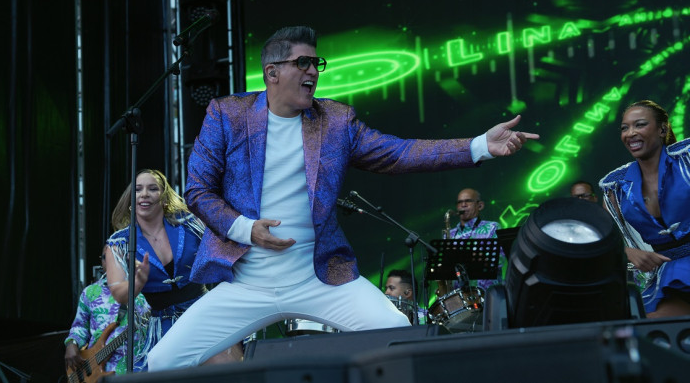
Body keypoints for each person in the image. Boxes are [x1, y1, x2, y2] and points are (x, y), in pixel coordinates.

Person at [147, 26, 538, 370]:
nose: (313, 72)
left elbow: (399, 153)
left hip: (320, 278)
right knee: (163, 362)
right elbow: (197, 188)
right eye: (303, 63)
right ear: (272, 72)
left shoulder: (336, 121)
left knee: (399, 335)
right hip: (246, 282)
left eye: (317, 64)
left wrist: (478, 146)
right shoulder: (227, 114)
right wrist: (246, 229)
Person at [105, 169, 243, 369]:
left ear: (164, 199)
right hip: (161, 326)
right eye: (138, 190)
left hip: (201, 312)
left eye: (153, 189)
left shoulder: (191, 225)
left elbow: (224, 251)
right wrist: (136, 283)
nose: (144, 194)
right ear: (130, 200)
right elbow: (119, 293)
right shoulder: (119, 243)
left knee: (227, 368)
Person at [599, 100, 690, 318]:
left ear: (662, 129)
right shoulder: (615, 187)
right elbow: (604, 239)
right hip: (669, 273)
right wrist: (627, 251)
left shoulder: (686, 158)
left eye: (639, 125)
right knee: (656, 336)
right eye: (624, 127)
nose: (630, 133)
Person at [64, 245, 151, 375]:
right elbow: (80, 327)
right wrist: (72, 343)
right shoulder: (90, 292)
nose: (111, 262)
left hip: (136, 369)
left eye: (117, 257)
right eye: (107, 257)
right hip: (95, 371)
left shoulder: (145, 291)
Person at [442, 188, 506, 293]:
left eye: (468, 201)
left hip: (488, 296)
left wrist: (464, 253)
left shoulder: (492, 227)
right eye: (459, 202)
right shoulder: (450, 234)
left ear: (480, 205)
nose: (463, 205)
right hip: (459, 299)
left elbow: (499, 261)